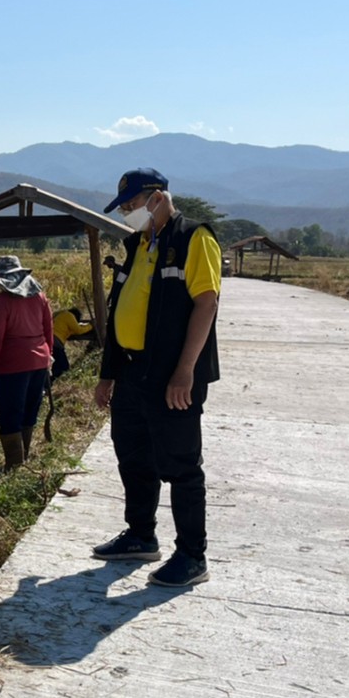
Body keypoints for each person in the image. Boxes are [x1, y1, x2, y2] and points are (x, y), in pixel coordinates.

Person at [93, 168, 221, 587]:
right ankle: (140, 535)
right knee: (133, 457)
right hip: (132, 371)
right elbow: (120, 310)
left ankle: (192, 557)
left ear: (158, 197)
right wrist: (108, 375)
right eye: (124, 208)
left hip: (171, 376)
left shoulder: (193, 238)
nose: (128, 213)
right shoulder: (138, 244)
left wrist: (185, 371)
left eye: (132, 205)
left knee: (181, 466)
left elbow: (206, 304)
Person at [0, 254, 55, 470]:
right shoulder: (40, 297)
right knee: (30, 409)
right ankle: (23, 458)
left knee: (11, 413)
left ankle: (14, 464)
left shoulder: (1, 302)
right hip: (39, 361)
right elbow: (49, 329)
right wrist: (48, 354)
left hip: (13, 365)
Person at [51, 306, 94, 381]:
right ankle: (52, 381)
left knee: (57, 364)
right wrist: (91, 326)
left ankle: (51, 381)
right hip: (56, 341)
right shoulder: (69, 316)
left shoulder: (61, 315)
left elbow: (74, 329)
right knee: (64, 366)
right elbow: (78, 330)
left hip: (51, 339)